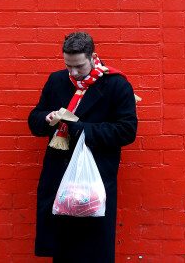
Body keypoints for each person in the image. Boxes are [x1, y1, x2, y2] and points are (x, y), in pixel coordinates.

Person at [28, 31, 137, 263]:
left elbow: (127, 131)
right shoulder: (57, 80)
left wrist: (81, 129)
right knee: (62, 248)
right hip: (59, 175)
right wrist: (46, 119)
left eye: (79, 67)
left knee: (93, 248)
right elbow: (35, 117)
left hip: (94, 176)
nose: (73, 73)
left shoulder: (116, 84)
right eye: (68, 66)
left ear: (93, 56)